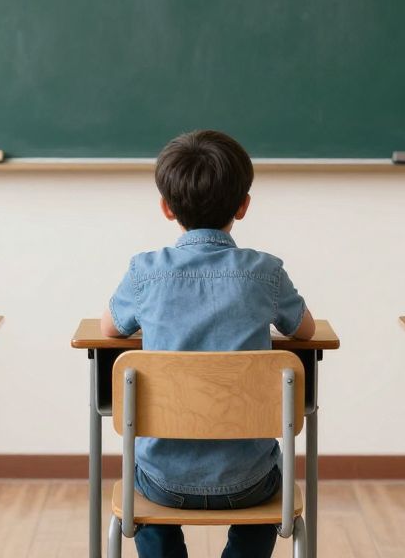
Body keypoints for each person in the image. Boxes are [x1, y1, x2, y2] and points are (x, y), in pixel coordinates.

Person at [101, 129, 315, 558]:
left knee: (138, 480)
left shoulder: (146, 271)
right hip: (248, 482)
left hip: (163, 482)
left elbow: (110, 329)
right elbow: (304, 332)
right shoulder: (265, 272)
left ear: (166, 207)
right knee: (275, 486)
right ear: (244, 205)